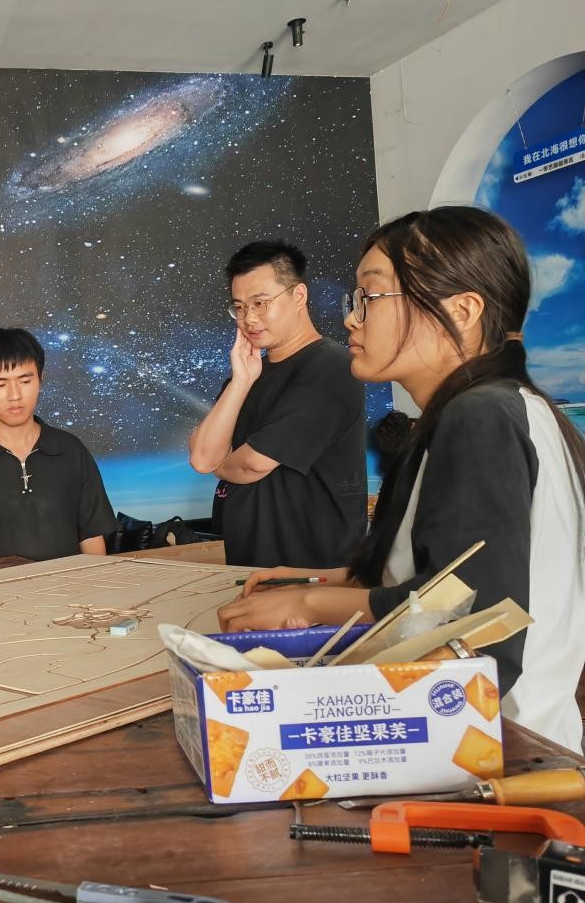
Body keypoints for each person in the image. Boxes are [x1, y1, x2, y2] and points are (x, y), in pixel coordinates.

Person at [218, 206, 585, 752]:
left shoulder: (480, 416)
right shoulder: (488, 411)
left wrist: (309, 606)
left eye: (370, 297)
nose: (352, 319)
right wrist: (322, 582)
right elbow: (439, 572)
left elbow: (472, 612)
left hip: (494, 748)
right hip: (475, 739)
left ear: (461, 310)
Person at [188, 240, 367, 568]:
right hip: (249, 568)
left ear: (298, 295)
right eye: (239, 307)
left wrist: (221, 467)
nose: (249, 319)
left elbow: (253, 463)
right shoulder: (248, 374)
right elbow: (202, 458)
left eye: (260, 303)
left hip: (313, 573)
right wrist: (240, 383)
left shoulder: (331, 366)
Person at [0, 327, 117, 566]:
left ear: (40, 379)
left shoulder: (71, 451)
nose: (15, 395)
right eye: (0, 384)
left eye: (25, 381)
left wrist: (97, 582)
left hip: (69, 586)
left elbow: (92, 537)